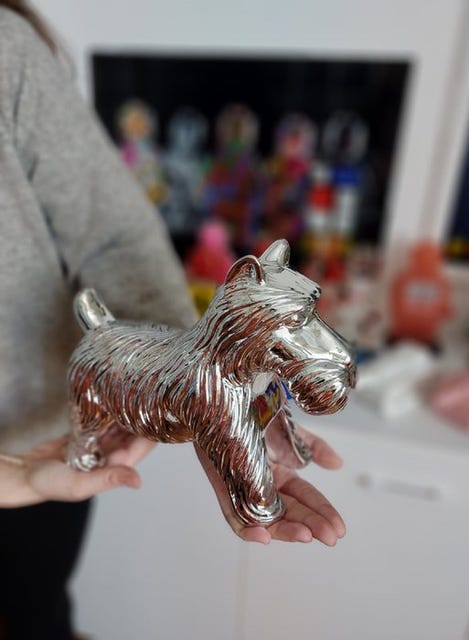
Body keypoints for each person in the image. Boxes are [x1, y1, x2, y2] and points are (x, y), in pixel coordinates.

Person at [0, 2, 345, 638]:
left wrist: (202, 386)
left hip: (35, 450)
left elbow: (114, 234)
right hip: (56, 434)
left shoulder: (6, 52)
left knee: (36, 611)